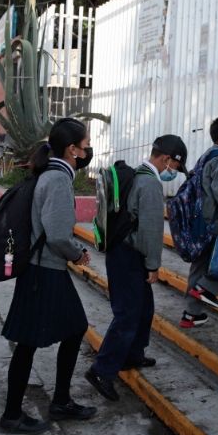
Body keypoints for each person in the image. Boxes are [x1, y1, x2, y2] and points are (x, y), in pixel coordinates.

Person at [0, 118, 97, 434]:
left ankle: (60, 401)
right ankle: (15, 414)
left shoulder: (51, 173)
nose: (87, 151)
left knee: (69, 330)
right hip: (46, 270)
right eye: (85, 146)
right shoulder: (57, 180)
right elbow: (56, 234)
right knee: (31, 342)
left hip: (42, 269)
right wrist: (77, 254)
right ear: (72, 150)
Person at [86, 134, 188, 401]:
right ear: (166, 159)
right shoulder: (150, 184)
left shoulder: (135, 175)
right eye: (175, 167)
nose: (174, 173)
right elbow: (151, 231)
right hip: (131, 256)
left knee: (143, 308)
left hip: (122, 252)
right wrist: (153, 265)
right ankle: (102, 370)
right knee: (128, 315)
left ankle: (132, 355)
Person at [180, 117, 218, 328]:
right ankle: (207, 289)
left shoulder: (206, 155)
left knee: (199, 266)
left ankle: (190, 315)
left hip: (199, 220)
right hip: (215, 220)